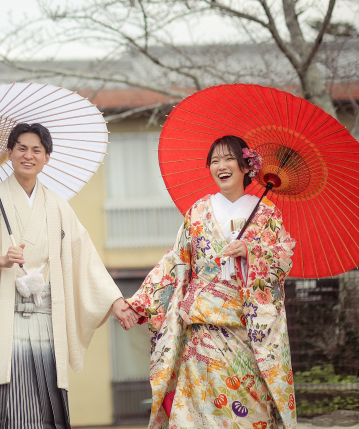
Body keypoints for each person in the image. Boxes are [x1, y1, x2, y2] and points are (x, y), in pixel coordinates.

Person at [0, 123, 133, 428]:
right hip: (0, 320)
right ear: (9, 154)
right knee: (6, 409)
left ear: (47, 157)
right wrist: (0, 259)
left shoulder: (58, 206)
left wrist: (114, 300)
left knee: (46, 408)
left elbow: (83, 255)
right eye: (21, 148)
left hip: (45, 316)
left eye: (37, 150)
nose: (28, 155)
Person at [119, 135, 297, 429]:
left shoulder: (266, 214)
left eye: (229, 159)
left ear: (245, 166)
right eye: (214, 161)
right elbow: (175, 261)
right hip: (201, 335)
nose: (221, 166)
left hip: (246, 334)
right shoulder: (198, 212)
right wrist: (138, 304)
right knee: (197, 417)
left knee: (251, 414)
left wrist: (252, 251)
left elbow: (283, 257)